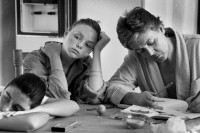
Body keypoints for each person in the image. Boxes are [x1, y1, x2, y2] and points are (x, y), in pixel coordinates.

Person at [105, 7, 200, 112]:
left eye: (151, 42)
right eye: (141, 50)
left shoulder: (198, 46)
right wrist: (133, 97)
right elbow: (112, 86)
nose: (150, 53)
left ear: (161, 29)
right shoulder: (136, 57)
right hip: (157, 125)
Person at [23, 18, 110, 104]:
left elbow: (94, 97)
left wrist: (97, 51)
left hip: (75, 117)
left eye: (88, 45)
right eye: (77, 37)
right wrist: (54, 57)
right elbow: (57, 100)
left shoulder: (86, 64)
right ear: (66, 33)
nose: (80, 45)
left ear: (90, 50)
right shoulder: (35, 58)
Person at [0, 73, 79, 132]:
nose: (6, 109)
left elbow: (73, 105)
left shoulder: (21, 98)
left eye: (17, 108)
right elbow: (30, 123)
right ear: (4, 87)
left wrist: (35, 110)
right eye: (6, 98)